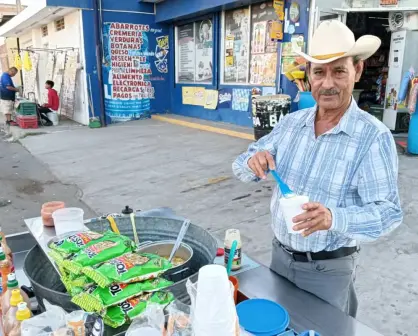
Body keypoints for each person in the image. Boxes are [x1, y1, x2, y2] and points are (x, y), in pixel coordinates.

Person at [232, 20, 403, 318]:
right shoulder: (291, 124)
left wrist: (333, 217)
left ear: (357, 71)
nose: (327, 83)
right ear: (309, 76)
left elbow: (388, 212)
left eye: (339, 71)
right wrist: (253, 161)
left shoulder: (372, 137)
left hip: (328, 269)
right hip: (279, 258)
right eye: (319, 72)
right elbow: (241, 166)